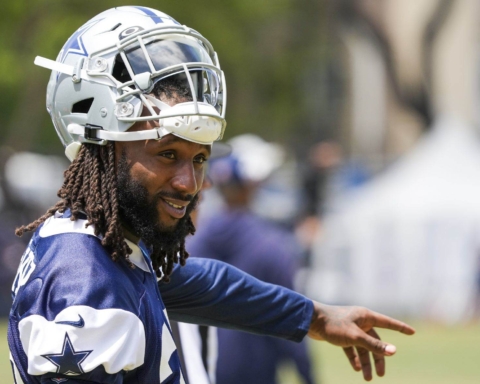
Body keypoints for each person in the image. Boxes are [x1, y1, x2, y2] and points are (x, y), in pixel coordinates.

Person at [8, 6, 414, 384]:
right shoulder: (89, 287)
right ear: (101, 145)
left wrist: (316, 316)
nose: (189, 184)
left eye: (200, 158)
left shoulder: (100, 243)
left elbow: (205, 284)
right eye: (167, 154)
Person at [187, 134, 315, 384]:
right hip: (257, 373)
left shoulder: (190, 243)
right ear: (253, 184)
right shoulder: (272, 245)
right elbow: (289, 320)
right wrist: (309, 377)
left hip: (198, 373)